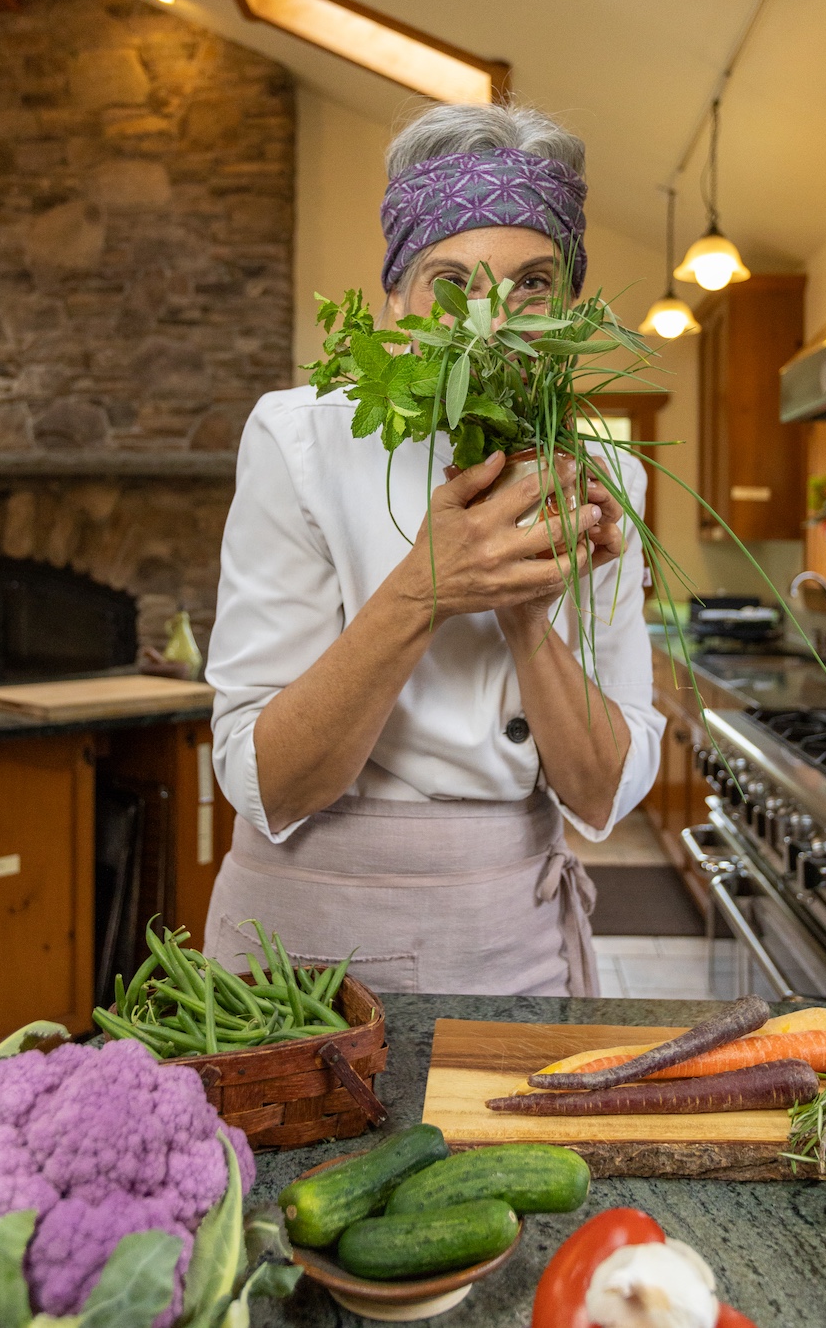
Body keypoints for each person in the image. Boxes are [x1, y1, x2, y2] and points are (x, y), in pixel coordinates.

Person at [203, 102, 664, 996]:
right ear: (396, 304)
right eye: (451, 283)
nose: (491, 322)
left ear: (573, 308)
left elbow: (601, 794)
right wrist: (427, 588)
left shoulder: (608, 476)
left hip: (510, 932)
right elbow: (268, 781)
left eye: (533, 283)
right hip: (306, 941)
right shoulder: (301, 440)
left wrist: (529, 615)